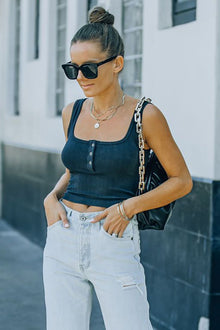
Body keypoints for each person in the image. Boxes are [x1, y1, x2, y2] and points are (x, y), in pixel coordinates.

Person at [42, 6, 193, 330]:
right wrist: (51, 197)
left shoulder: (146, 115)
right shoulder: (73, 112)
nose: (80, 77)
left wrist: (126, 209)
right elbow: (76, 170)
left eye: (89, 69)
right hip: (62, 238)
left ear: (117, 64)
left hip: (113, 238)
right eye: (73, 69)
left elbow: (181, 180)